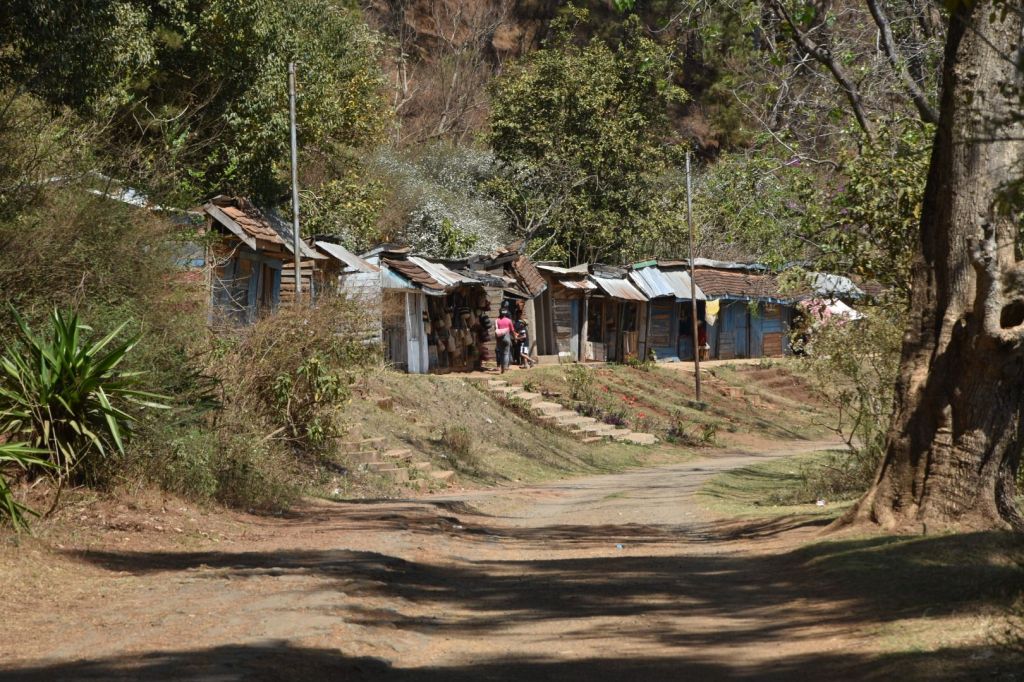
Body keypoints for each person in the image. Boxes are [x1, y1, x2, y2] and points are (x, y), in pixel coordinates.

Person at [494, 307, 514, 373]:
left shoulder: (497, 320)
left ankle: (502, 368)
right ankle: (505, 368)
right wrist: (515, 337)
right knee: (506, 353)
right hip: (507, 338)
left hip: (499, 339)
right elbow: (512, 330)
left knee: (501, 353)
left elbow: (496, 330)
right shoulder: (509, 320)